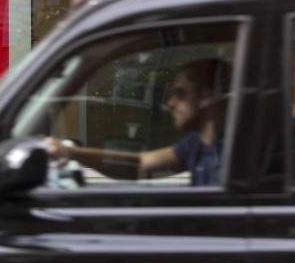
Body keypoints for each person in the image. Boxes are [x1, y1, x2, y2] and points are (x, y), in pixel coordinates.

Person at [46, 59, 227, 186]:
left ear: (206, 95)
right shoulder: (197, 143)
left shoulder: (232, 154)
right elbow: (140, 164)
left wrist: (72, 153)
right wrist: (72, 153)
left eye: (179, 94)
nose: (170, 103)